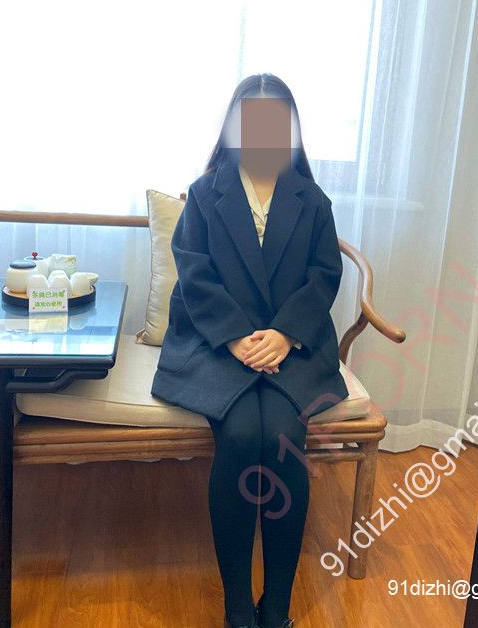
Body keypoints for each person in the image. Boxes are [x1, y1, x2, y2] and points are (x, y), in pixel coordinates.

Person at [150, 73, 349, 628]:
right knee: (240, 437)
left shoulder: (313, 200)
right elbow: (194, 273)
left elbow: (324, 275)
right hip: (218, 343)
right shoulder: (205, 193)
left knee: (283, 439)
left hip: (292, 346)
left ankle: (277, 605)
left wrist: (285, 333)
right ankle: (237, 604)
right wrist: (236, 336)